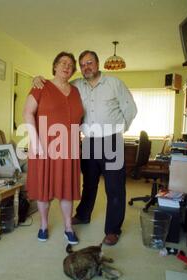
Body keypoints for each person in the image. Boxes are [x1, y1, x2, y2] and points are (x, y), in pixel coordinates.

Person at [33, 50, 137, 246]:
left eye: (90, 62)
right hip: (88, 141)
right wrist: (38, 79)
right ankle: (83, 215)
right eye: (82, 64)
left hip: (111, 141)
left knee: (114, 188)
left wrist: (117, 130)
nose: (86, 67)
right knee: (88, 183)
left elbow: (130, 108)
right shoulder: (76, 85)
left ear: (98, 64)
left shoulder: (114, 83)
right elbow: (57, 86)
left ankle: (113, 230)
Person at [23, 52, 84, 244]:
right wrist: (35, 141)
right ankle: (43, 225)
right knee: (44, 187)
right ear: (55, 66)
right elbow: (27, 113)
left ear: (73, 70)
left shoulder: (75, 91)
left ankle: (68, 226)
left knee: (67, 188)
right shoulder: (41, 86)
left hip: (69, 147)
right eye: (62, 63)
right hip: (44, 146)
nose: (66, 66)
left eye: (70, 64)